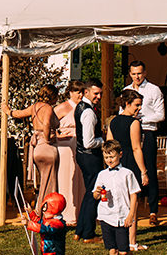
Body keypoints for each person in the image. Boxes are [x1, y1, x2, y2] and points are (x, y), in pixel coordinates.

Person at [91, 141, 140, 255]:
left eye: (111, 156)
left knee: (124, 251)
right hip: (106, 215)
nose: (109, 160)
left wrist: (131, 214)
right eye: (106, 157)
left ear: (120, 154)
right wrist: (97, 193)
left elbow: (134, 195)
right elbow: (95, 195)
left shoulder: (127, 174)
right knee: (113, 250)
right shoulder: (102, 175)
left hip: (122, 215)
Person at [125, 60, 165, 226]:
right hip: (130, 132)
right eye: (134, 74)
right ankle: (132, 209)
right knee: (131, 171)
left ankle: (153, 210)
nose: (137, 77)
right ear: (130, 74)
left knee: (149, 171)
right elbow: (122, 111)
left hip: (147, 132)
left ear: (145, 73)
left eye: (139, 73)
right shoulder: (126, 90)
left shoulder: (154, 90)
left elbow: (160, 115)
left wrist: (142, 119)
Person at [10, 84, 59, 214]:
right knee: (51, 181)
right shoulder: (48, 108)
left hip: (37, 148)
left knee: (44, 180)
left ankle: (41, 208)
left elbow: (19, 114)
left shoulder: (34, 107)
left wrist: (7, 110)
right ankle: (46, 211)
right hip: (46, 146)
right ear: (52, 96)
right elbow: (47, 123)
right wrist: (48, 139)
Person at [74, 79, 106, 243]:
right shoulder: (88, 112)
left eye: (100, 93)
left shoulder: (80, 107)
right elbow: (89, 142)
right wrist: (104, 140)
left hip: (83, 155)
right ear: (86, 92)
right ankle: (88, 233)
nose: (99, 97)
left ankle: (80, 230)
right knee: (94, 194)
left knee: (89, 194)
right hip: (90, 156)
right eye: (96, 93)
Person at [53, 81, 85, 225]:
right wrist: (58, 135)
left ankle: (80, 212)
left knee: (80, 178)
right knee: (66, 178)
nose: (80, 94)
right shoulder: (62, 107)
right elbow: (48, 125)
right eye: (77, 91)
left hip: (80, 145)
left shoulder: (85, 107)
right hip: (65, 146)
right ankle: (66, 213)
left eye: (82, 91)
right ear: (70, 92)